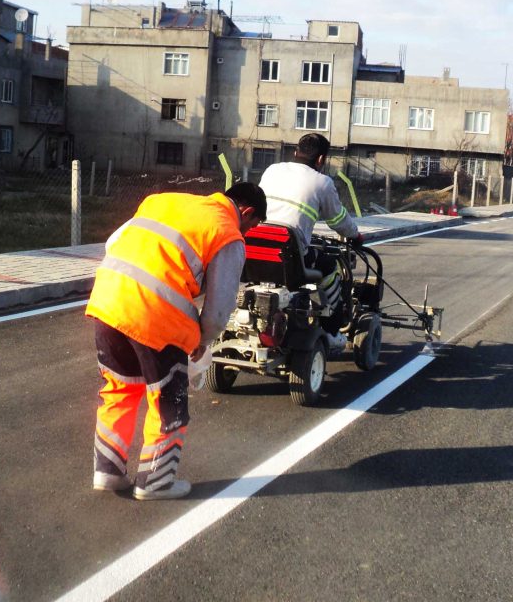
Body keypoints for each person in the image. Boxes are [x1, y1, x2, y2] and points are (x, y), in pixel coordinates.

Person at [86, 182, 267, 500]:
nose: (248, 232)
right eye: (252, 226)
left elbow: (115, 241)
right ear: (247, 212)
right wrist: (203, 340)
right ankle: (155, 482)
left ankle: (108, 471)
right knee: (168, 402)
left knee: (119, 390)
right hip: (156, 318)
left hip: (107, 302)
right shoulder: (227, 232)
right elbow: (219, 307)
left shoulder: (162, 200)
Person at [258, 133, 361, 350]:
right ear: (321, 159)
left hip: (256, 250)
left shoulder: (272, 170)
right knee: (330, 266)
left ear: (296, 152)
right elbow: (338, 220)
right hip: (291, 254)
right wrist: (355, 235)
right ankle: (333, 330)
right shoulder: (322, 182)